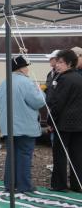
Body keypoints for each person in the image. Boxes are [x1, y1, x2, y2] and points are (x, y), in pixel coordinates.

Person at [0, 55, 45, 193]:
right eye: (26, 66)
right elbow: (38, 102)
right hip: (25, 126)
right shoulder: (26, 82)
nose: (28, 69)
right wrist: (40, 90)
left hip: (8, 126)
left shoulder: (3, 83)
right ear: (22, 68)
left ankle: (10, 185)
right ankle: (24, 185)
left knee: (11, 156)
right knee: (24, 155)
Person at [47, 49, 82, 193]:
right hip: (79, 124)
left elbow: (57, 103)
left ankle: (59, 184)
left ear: (69, 63)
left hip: (63, 124)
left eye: (60, 62)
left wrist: (50, 121)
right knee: (77, 155)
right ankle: (77, 184)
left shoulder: (62, 79)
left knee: (60, 155)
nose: (57, 65)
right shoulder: (79, 78)